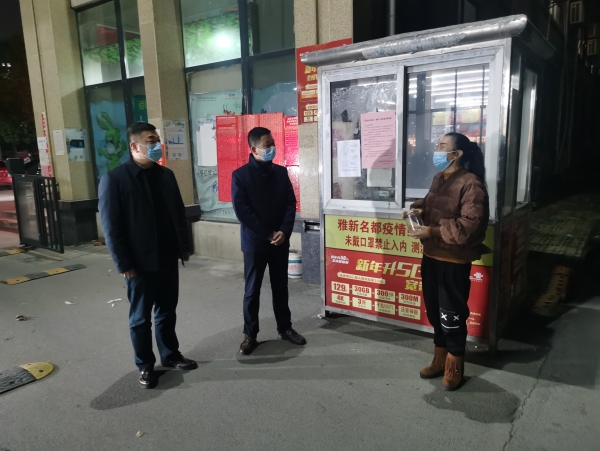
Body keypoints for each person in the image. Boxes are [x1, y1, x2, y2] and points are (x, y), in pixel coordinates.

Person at [98, 122, 197, 389]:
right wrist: (123, 263)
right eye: (151, 140)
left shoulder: (166, 175)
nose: (157, 145)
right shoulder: (115, 179)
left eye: (157, 140)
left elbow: (179, 213)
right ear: (134, 146)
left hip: (167, 256)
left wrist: (184, 247)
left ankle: (170, 355)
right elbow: (111, 226)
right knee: (140, 318)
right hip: (139, 263)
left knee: (166, 311)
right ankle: (145, 366)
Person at [407, 132, 490, 391]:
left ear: (458, 154)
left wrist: (432, 231)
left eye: (443, 146)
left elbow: (470, 225)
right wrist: (418, 209)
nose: (437, 150)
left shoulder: (471, 183)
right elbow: (432, 203)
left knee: (451, 315)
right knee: (434, 311)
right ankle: (439, 359)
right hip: (431, 255)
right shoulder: (439, 178)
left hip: (453, 261)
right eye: (438, 145)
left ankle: (455, 365)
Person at [232, 127, 306, 355]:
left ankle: (285, 328)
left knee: (280, 287)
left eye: (273, 143)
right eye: (267, 145)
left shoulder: (281, 173)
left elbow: (290, 203)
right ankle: (250, 335)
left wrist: (284, 231)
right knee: (252, 290)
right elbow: (243, 211)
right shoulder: (240, 175)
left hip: (280, 242)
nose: (272, 148)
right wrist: (267, 233)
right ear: (254, 149)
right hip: (255, 243)